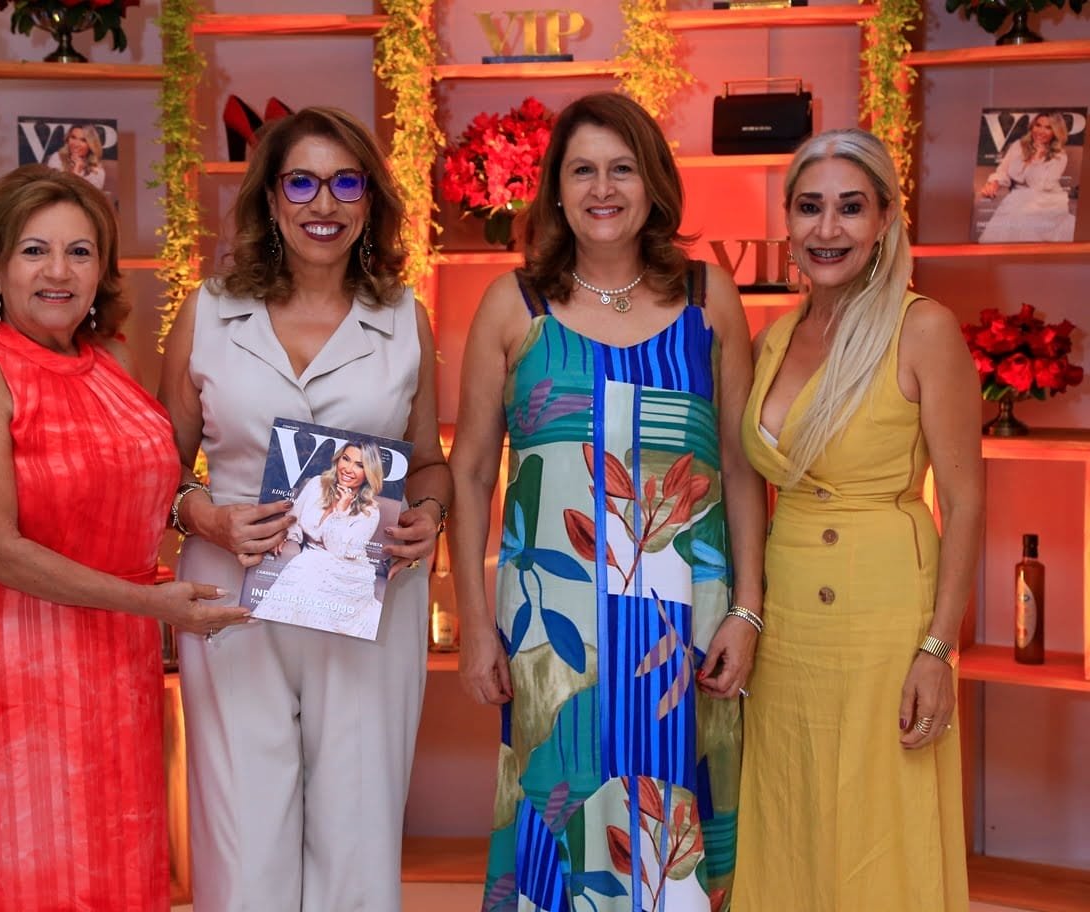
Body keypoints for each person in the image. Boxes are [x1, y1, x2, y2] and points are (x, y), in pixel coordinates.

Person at [0, 165, 246, 911]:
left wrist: (205, 515)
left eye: (80, 252)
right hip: (6, 658)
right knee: (18, 865)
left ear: (101, 270)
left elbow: (151, 484)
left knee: (106, 853)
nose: (59, 271)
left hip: (112, 659)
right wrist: (153, 606)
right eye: (35, 250)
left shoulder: (112, 361)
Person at [449, 91, 766, 910]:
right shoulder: (512, 305)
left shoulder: (708, 299)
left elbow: (740, 467)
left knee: (674, 830)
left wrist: (748, 611)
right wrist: (475, 624)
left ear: (654, 182)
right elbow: (472, 471)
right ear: (555, 189)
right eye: (582, 170)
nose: (602, 188)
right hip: (554, 628)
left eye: (622, 168)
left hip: (685, 623)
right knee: (561, 810)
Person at [158, 106, 452, 911]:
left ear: (369, 201)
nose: (324, 203)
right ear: (270, 197)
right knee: (243, 841)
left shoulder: (403, 318)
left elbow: (429, 460)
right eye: (302, 183)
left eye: (346, 183)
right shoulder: (208, 313)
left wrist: (430, 515)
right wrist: (205, 519)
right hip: (231, 597)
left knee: (357, 834)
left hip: (367, 600)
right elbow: (160, 470)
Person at [734, 128, 983, 910]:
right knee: (792, 812)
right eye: (810, 207)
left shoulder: (923, 328)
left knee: (882, 821)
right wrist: (747, 607)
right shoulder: (772, 339)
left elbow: (966, 499)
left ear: (883, 220)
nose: (827, 228)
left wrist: (937, 648)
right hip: (789, 622)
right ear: (787, 222)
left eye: (849, 207)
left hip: (886, 617)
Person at [256, 441, 387, 639]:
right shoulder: (317, 483)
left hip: (348, 570)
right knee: (305, 567)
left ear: (368, 473)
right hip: (313, 557)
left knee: (306, 570)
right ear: (338, 459)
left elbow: (337, 550)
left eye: (359, 465)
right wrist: (285, 534)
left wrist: (340, 511)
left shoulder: (370, 510)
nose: (348, 469)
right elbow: (294, 517)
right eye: (346, 459)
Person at [978, 111, 1075, 243]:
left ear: (1056, 132)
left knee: (1021, 216)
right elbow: (1004, 169)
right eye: (1038, 125)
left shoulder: (1060, 156)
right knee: (1013, 212)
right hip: (1020, 195)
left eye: (1048, 128)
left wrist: (1037, 156)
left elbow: (1039, 185)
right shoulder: (1018, 145)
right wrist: (994, 183)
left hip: (1047, 198)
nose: (1040, 131)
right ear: (1032, 126)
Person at [47, 123, 106, 190]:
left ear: (91, 145)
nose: (76, 144)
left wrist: (77, 170)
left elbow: (89, 195)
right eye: (73, 137)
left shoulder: (97, 171)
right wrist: (76, 171)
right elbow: (53, 189)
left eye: (83, 140)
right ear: (67, 139)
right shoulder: (57, 158)